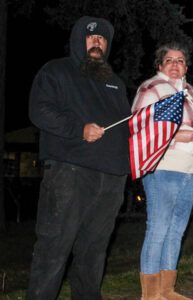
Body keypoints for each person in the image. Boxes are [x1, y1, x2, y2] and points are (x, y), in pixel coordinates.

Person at [27, 16, 131, 299]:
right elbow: (39, 111)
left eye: (102, 39)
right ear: (78, 40)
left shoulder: (116, 84)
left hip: (110, 178)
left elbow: (126, 127)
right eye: (90, 37)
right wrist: (78, 129)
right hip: (70, 172)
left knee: (94, 250)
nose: (97, 42)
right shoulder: (57, 71)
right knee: (54, 248)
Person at [131, 42, 193, 299]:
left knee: (176, 231)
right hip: (163, 166)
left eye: (180, 60)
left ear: (186, 67)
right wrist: (174, 137)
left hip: (190, 170)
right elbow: (140, 126)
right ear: (160, 65)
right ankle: (150, 294)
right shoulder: (151, 88)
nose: (175, 64)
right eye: (169, 60)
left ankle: (167, 289)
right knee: (158, 228)